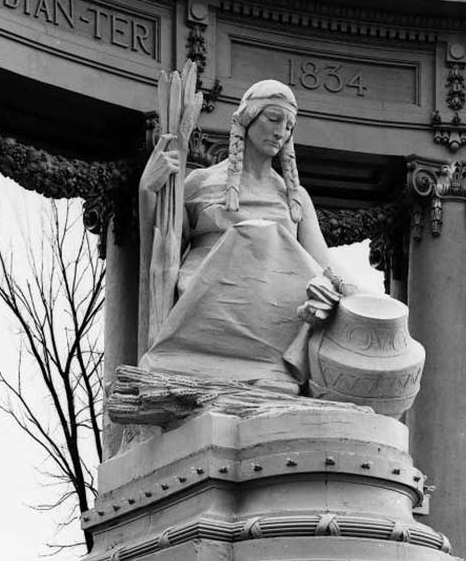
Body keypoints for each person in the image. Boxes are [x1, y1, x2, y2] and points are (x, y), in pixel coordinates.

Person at [137, 79, 347, 393]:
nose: (280, 131)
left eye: (288, 125)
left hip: (274, 312)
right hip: (211, 305)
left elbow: (322, 265)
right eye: (273, 119)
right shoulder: (201, 182)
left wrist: (357, 294)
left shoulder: (294, 196)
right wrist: (147, 191)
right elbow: (164, 249)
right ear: (248, 118)